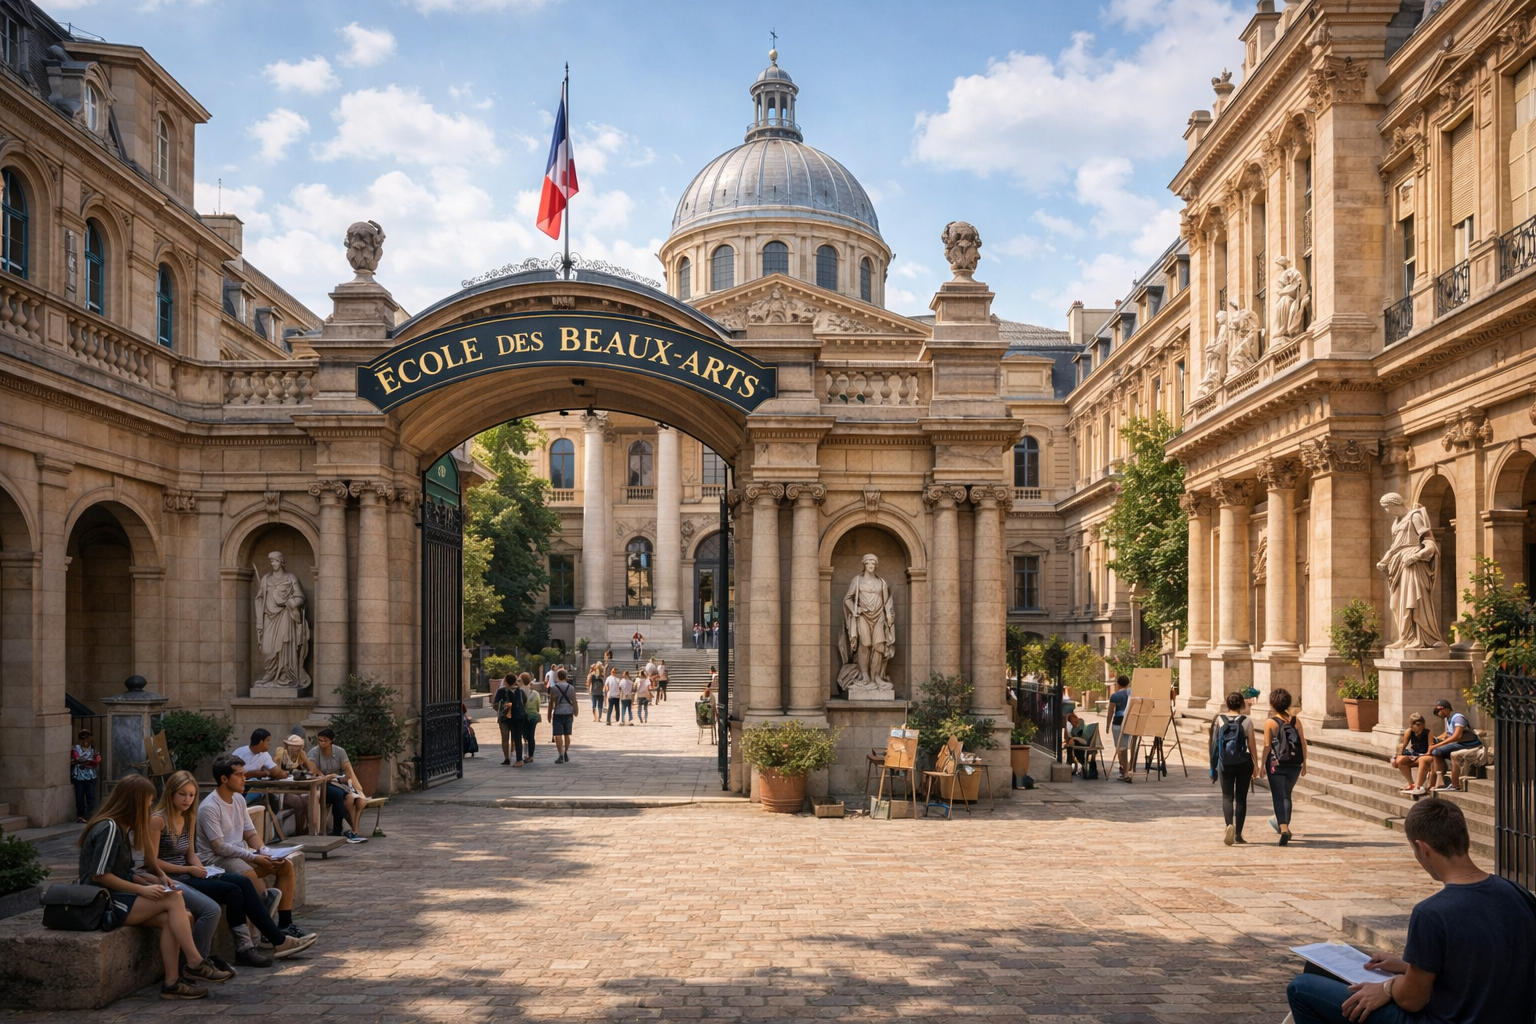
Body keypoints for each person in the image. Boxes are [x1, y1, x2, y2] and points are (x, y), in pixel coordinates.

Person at [1285, 799, 1536, 1024]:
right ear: (1465, 838)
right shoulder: (1518, 893)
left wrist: (1386, 988)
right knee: (1318, 968)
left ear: (1422, 848)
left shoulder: (1433, 912)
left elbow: (1412, 1000)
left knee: (1301, 988)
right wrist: (1408, 967)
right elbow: (1478, 964)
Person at [79, 775, 232, 1000]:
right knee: (173, 899)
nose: (149, 807)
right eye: (147, 802)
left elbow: (124, 871)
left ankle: (171, 983)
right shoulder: (109, 827)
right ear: (133, 801)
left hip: (119, 894)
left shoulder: (121, 828)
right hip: (102, 901)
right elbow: (99, 875)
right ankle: (195, 961)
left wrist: (151, 880)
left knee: (175, 916)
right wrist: (141, 890)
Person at [149, 770, 315, 966]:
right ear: (170, 794)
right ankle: (274, 940)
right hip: (173, 878)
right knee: (233, 889)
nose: (187, 799)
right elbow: (151, 862)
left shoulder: (187, 818)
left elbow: (190, 854)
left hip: (192, 873)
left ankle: (249, 947)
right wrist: (189, 870)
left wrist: (201, 869)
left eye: (191, 795)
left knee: (241, 884)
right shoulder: (158, 820)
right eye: (182, 794)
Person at [195, 756, 313, 939]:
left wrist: (264, 851)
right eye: (240, 775)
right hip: (217, 860)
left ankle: (285, 924)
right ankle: (267, 927)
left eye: (245, 774)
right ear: (224, 779)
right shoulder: (209, 807)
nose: (245, 779)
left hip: (240, 855)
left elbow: (250, 833)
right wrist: (253, 857)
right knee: (250, 879)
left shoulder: (239, 800)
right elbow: (219, 847)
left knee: (284, 865)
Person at [1209, 691, 1260, 846]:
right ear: (1242, 704)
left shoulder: (1219, 719)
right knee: (1241, 798)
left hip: (1225, 762)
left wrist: (1213, 767)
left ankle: (1228, 825)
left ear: (1227, 703)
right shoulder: (1246, 721)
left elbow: (1213, 745)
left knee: (1227, 797)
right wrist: (1256, 765)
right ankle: (1238, 834)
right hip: (1244, 762)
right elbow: (1251, 744)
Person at [1260, 687, 1308, 845]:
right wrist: (1305, 763)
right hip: (1295, 764)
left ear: (1272, 704)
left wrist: (1261, 765)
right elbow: (1302, 742)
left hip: (1276, 764)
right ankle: (1285, 825)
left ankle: (1284, 828)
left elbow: (1267, 746)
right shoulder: (1296, 720)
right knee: (1287, 795)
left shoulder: (1270, 722)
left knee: (1278, 796)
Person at [307, 728, 369, 842]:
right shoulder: (314, 752)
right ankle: (337, 829)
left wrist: (342, 778)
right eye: (320, 740)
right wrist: (326, 777)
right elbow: (313, 771)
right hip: (321, 784)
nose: (322, 743)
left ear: (331, 741)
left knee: (346, 796)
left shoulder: (339, 751)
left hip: (338, 783)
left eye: (325, 740)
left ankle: (346, 829)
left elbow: (348, 771)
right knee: (338, 794)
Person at [1411, 699, 1482, 794]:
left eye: (1438, 711)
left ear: (1445, 709)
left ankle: (1446, 782)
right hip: (1458, 743)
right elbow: (1447, 734)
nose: (1438, 714)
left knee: (1436, 751)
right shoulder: (1448, 719)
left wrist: (1436, 746)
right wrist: (1435, 740)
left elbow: (1456, 736)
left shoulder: (1457, 718)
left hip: (1468, 743)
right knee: (1435, 752)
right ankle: (1438, 780)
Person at [1392, 713, 1432, 792]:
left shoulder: (1428, 732)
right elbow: (1404, 745)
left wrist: (1427, 753)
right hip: (1414, 753)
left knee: (1423, 760)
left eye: (1420, 725)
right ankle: (1411, 783)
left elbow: (1431, 745)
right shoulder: (1409, 731)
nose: (1418, 728)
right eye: (1415, 726)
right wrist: (1396, 756)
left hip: (1424, 753)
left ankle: (1419, 785)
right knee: (1400, 760)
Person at [493, 673, 526, 765]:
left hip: (505, 717)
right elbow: (524, 702)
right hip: (518, 717)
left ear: (506, 681)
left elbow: (495, 704)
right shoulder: (520, 691)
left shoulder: (501, 691)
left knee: (505, 737)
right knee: (517, 738)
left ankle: (506, 758)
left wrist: (501, 710)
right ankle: (519, 758)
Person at [70, 728, 100, 823]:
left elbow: (97, 758)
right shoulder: (76, 748)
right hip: (79, 775)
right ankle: (81, 815)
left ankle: (90, 815)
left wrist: (95, 760)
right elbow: (76, 758)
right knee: (80, 797)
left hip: (91, 775)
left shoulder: (93, 749)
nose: (88, 741)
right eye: (86, 739)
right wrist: (84, 760)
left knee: (90, 796)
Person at [547, 668, 577, 763]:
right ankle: (566, 752)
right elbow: (574, 700)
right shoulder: (571, 688)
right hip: (568, 712)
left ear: (558, 676)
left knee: (558, 734)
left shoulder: (554, 688)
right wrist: (576, 711)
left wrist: (548, 714)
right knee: (567, 734)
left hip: (558, 711)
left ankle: (560, 754)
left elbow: (552, 702)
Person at [1107, 674, 1132, 782]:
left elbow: (1110, 711)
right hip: (1130, 722)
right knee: (1126, 747)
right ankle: (1127, 769)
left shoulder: (1115, 696)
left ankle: (1125, 770)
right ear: (1128, 683)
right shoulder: (1132, 694)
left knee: (1120, 748)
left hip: (1118, 722)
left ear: (1117, 683)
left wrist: (1107, 725)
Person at [519, 673, 540, 761]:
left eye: (519, 680)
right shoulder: (535, 693)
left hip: (523, 716)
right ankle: (531, 756)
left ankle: (525, 754)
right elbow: (538, 706)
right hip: (534, 716)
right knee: (531, 736)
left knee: (524, 736)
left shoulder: (519, 692)